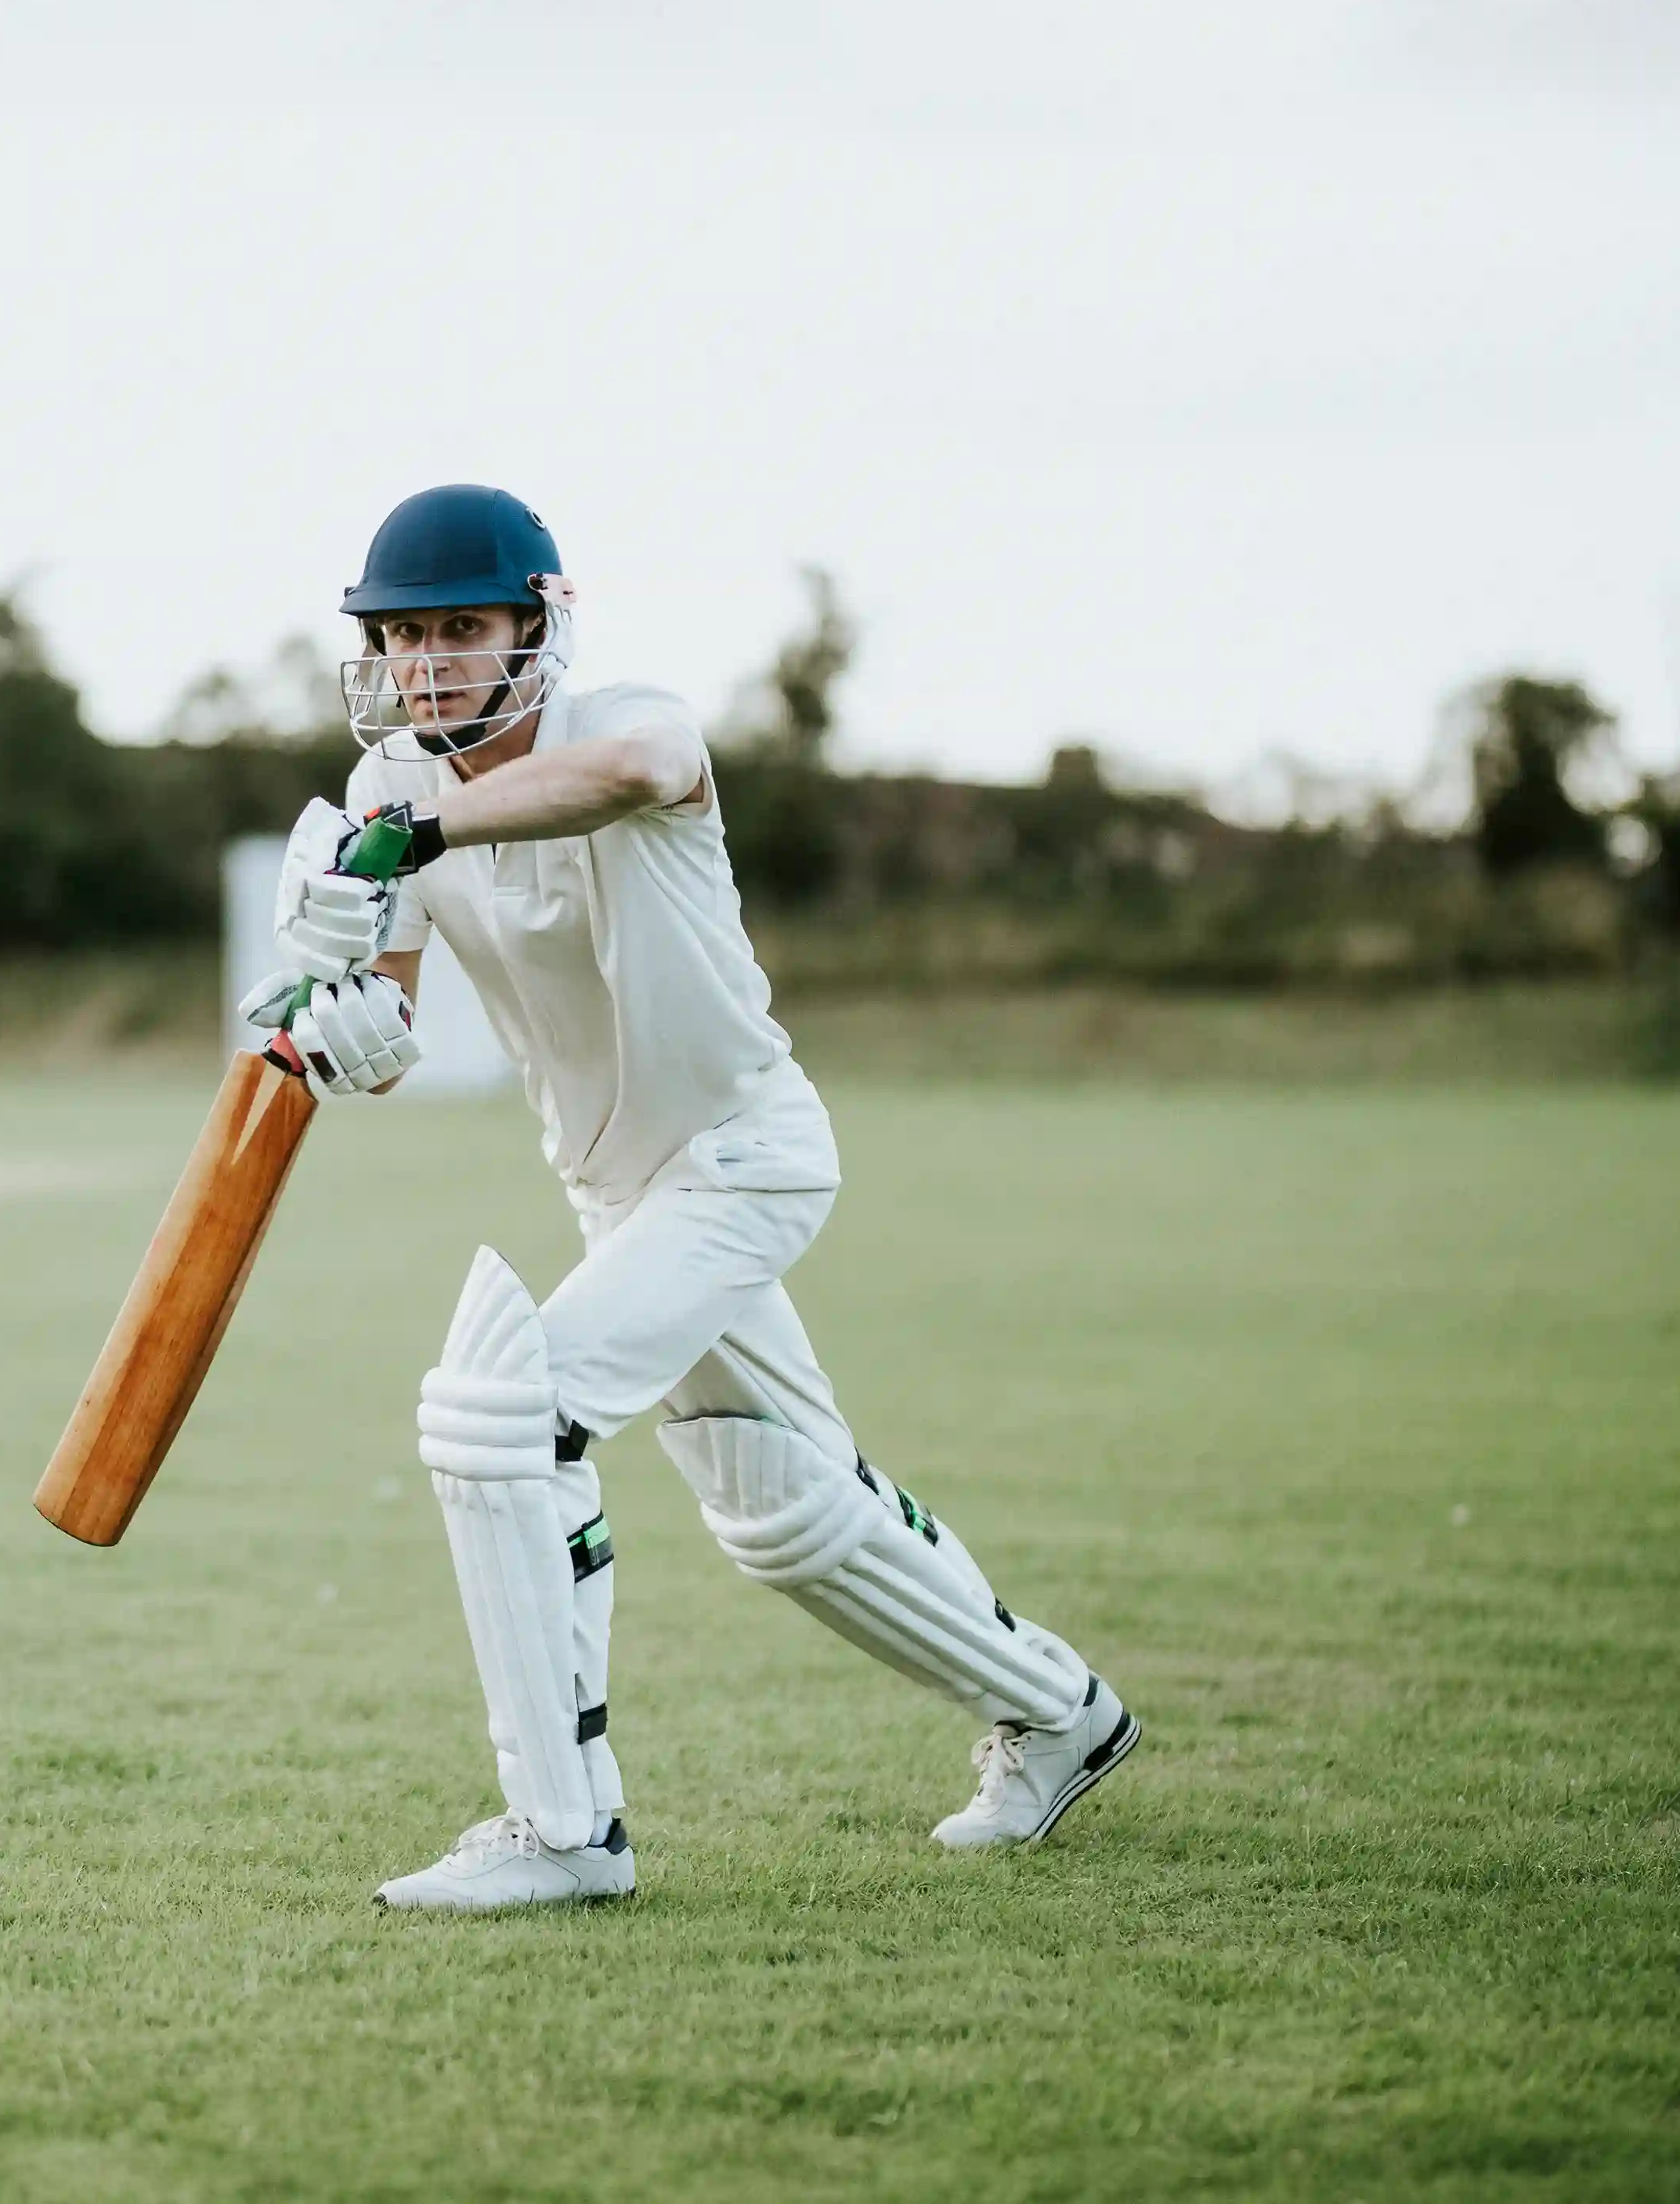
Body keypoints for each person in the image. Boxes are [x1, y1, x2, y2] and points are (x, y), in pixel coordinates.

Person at [240, 485, 1138, 1913]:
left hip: (741, 1153)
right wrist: (338, 1015)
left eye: (461, 630)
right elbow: (394, 1036)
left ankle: (565, 1833)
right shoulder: (382, 794)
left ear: (539, 626)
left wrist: (413, 838)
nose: (426, 665)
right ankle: (1063, 1715)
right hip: (619, 1193)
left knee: (505, 1418)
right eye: (401, 637)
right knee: (781, 1505)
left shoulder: (622, 722)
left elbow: (640, 774)